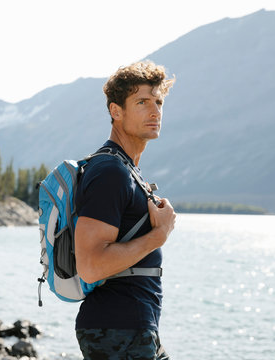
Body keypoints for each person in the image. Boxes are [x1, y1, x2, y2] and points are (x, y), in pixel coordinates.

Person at [74, 60, 176, 360]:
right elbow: (91, 265)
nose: (155, 111)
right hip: (117, 330)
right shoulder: (110, 171)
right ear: (116, 111)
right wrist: (160, 234)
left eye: (158, 101)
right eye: (142, 102)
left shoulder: (127, 169)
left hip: (132, 327)